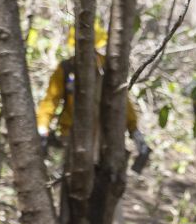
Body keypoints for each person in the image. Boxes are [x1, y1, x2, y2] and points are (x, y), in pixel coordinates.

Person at [35, 22, 150, 170]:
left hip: (105, 139)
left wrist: (135, 132)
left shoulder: (107, 67)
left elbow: (123, 102)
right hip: (73, 138)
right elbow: (50, 101)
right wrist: (42, 129)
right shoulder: (67, 69)